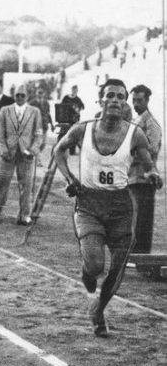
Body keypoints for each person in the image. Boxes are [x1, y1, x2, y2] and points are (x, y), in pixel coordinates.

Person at [54, 78, 157, 337]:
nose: (115, 100)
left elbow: (148, 164)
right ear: (100, 100)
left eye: (120, 97)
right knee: (95, 266)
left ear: (125, 104)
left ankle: (99, 311)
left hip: (121, 207)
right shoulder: (82, 129)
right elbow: (58, 151)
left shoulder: (136, 133)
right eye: (110, 95)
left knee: (118, 267)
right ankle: (88, 279)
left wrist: (154, 174)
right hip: (89, 204)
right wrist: (70, 179)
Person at [0, 84, 43, 225]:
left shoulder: (34, 112)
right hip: (8, 153)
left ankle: (24, 215)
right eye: (17, 95)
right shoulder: (5, 110)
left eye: (23, 95)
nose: (20, 98)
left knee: (26, 186)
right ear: (13, 96)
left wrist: (32, 150)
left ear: (27, 97)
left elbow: (39, 134)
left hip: (26, 154)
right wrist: (4, 150)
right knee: (1, 183)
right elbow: (0, 134)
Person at [129, 84, 163, 254]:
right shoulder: (135, 121)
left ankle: (141, 259)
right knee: (133, 219)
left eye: (139, 100)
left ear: (147, 100)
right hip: (132, 177)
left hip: (145, 178)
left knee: (142, 222)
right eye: (133, 100)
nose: (136, 104)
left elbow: (152, 151)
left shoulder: (152, 124)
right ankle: (134, 256)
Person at [61, 85, 85, 154]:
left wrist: (78, 109)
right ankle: (61, 149)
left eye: (76, 90)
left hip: (74, 120)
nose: (74, 91)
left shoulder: (78, 99)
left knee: (74, 135)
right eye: (73, 90)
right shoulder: (66, 97)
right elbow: (61, 106)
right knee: (63, 133)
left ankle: (72, 151)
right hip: (65, 119)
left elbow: (82, 107)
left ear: (77, 91)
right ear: (71, 90)